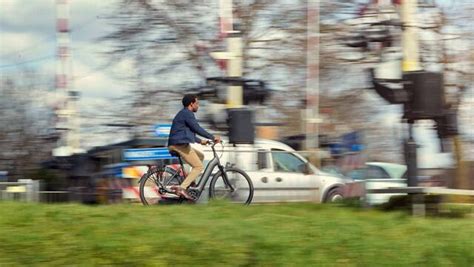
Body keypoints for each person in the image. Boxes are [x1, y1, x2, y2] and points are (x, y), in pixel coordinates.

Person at [167, 94, 221, 200]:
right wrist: (212, 137)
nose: (198, 105)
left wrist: (201, 141)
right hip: (179, 145)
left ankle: (191, 183)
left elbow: (187, 133)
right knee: (199, 167)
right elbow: (197, 128)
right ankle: (182, 188)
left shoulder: (184, 114)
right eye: (197, 103)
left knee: (200, 156)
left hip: (179, 144)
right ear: (191, 104)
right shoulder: (187, 113)